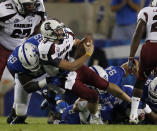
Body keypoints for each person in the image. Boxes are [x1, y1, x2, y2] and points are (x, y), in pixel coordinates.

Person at [38, 19, 131, 124]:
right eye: (57, 31)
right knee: (70, 98)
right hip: (61, 76)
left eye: (60, 29)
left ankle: (92, 117)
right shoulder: (46, 49)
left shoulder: (66, 34)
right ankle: (55, 107)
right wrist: (88, 54)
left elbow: (76, 42)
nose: (61, 32)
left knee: (103, 85)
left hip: (74, 69)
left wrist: (83, 44)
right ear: (49, 34)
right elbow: (71, 66)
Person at [6, 34, 60, 124]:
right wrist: (47, 81)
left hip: (47, 69)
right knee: (21, 111)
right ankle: (15, 111)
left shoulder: (45, 45)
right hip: (27, 76)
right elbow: (28, 87)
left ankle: (56, 114)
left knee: (61, 83)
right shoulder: (14, 63)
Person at [0, 0, 46, 82]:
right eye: (28, 5)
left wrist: (33, 43)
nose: (32, 8)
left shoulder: (39, 9)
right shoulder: (4, 11)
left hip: (21, 48)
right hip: (2, 46)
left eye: (33, 5)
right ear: (18, 4)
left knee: (27, 82)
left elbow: (39, 26)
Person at [128, 0, 157, 124]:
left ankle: (133, 115)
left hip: (150, 46)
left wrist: (131, 57)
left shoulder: (146, 11)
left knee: (140, 81)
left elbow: (138, 34)